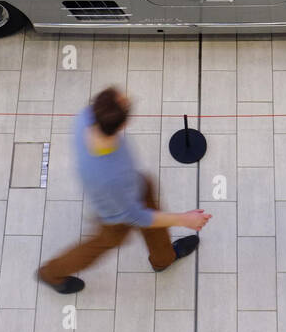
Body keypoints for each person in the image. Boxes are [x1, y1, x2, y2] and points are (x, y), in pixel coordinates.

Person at [37, 87, 211, 294]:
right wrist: (184, 219)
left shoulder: (86, 117)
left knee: (149, 197)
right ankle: (51, 273)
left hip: (132, 186)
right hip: (116, 214)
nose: (127, 97)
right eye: (124, 102)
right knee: (103, 242)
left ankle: (163, 259)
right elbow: (137, 217)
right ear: (124, 124)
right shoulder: (109, 176)